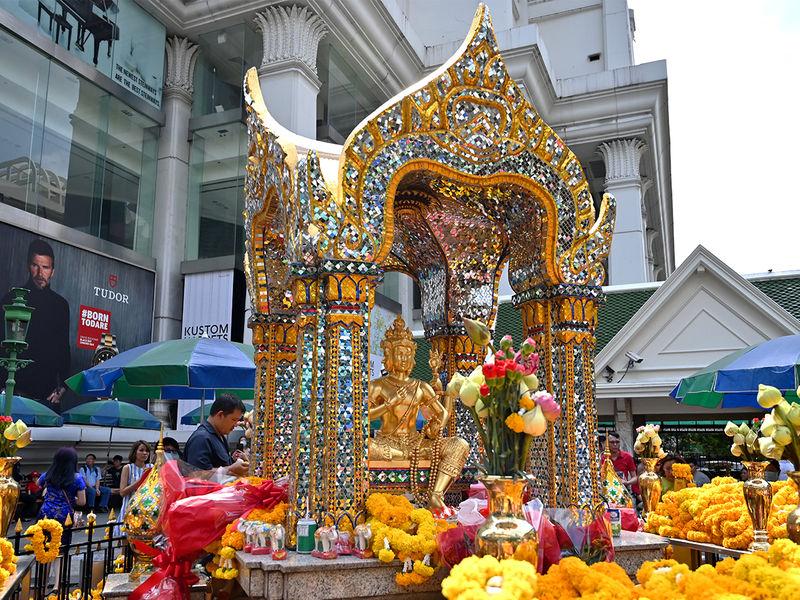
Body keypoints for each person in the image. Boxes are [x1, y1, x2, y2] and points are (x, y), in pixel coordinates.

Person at [0, 239, 70, 406]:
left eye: (45, 267)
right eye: (35, 266)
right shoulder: (12, 299)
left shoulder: (60, 305)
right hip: (13, 392)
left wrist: (63, 387)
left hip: (47, 396)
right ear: (28, 266)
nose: (40, 273)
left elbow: (64, 349)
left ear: (52, 271)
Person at [184, 394, 249, 478]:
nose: (236, 424)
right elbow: (195, 475)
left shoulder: (220, 436)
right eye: (233, 419)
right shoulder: (201, 438)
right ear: (220, 415)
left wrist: (233, 461)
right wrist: (229, 470)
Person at [38, 447, 86, 545]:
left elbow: (38, 483)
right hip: (64, 516)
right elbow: (82, 502)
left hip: (45, 513)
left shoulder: (48, 474)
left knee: (42, 545)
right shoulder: (77, 478)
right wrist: (73, 499)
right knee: (60, 546)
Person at [117, 441, 152, 535]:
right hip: (129, 508)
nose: (145, 453)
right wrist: (140, 480)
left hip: (146, 509)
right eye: (141, 450)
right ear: (135, 452)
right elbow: (122, 492)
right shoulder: (128, 468)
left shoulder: (151, 468)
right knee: (127, 541)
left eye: (147, 451)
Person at [600, 431, 640, 497]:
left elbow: (635, 477)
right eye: (612, 442)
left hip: (623, 491)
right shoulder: (602, 457)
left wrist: (627, 482)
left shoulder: (627, 457)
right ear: (606, 443)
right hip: (606, 492)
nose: (615, 444)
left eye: (617, 442)